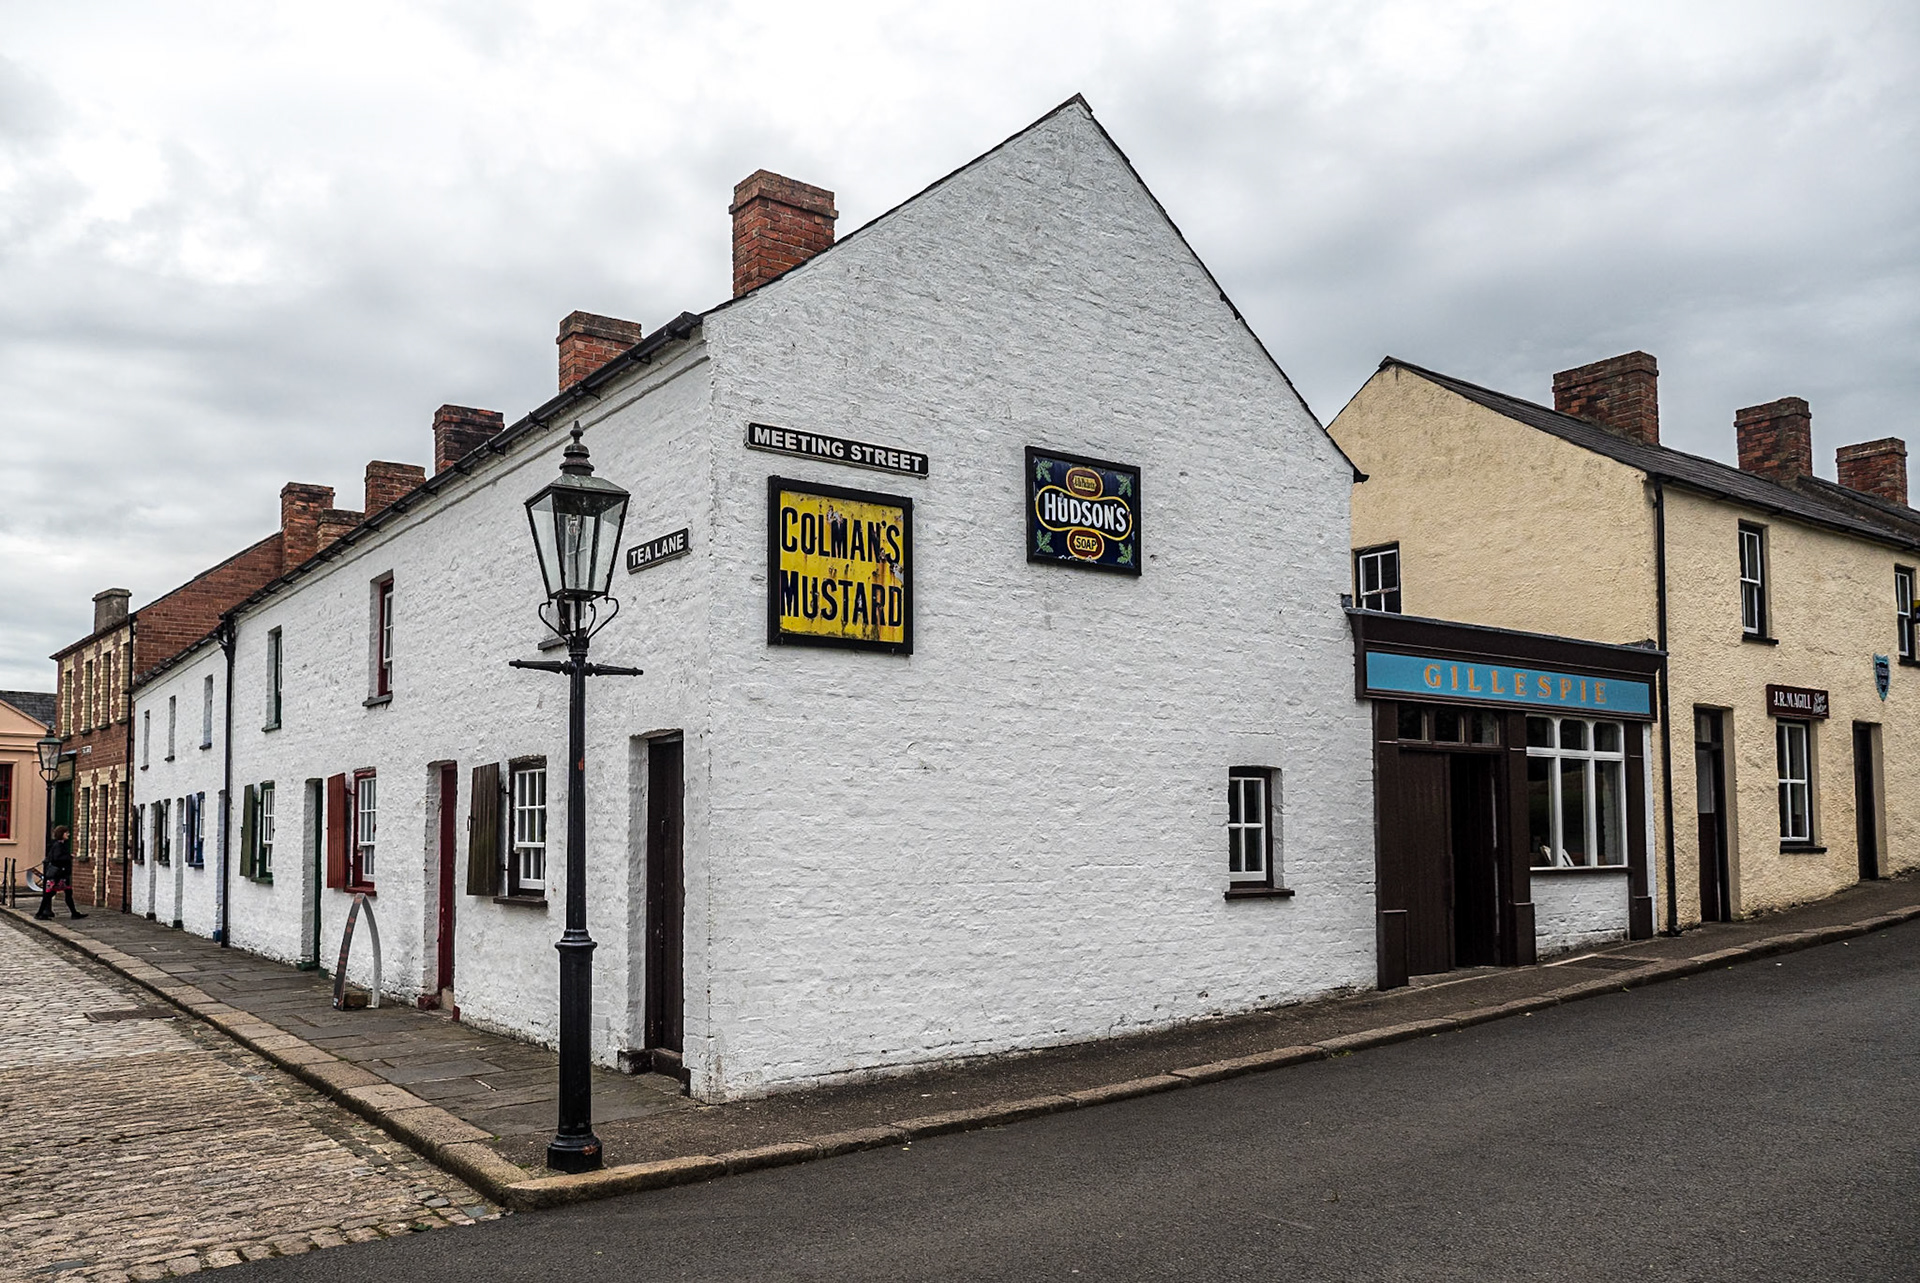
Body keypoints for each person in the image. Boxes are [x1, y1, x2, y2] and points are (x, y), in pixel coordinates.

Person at [35, 825, 86, 920]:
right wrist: (69, 857)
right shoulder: (58, 845)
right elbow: (57, 858)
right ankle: (40, 913)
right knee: (49, 894)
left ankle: (74, 913)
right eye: (66, 833)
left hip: (61, 875)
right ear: (61, 834)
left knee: (67, 893)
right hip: (57, 875)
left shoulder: (61, 845)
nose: (68, 835)